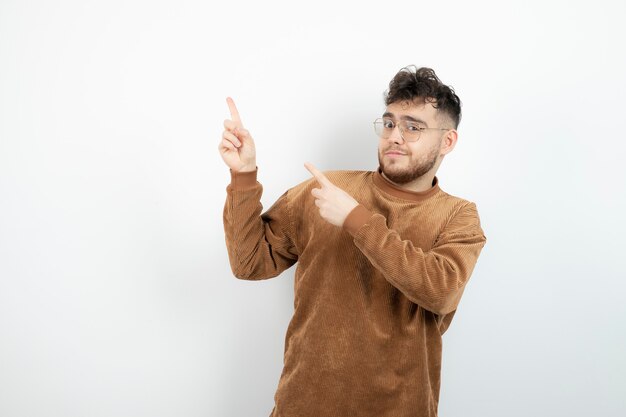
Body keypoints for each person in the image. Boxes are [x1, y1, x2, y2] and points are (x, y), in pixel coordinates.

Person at [219, 65, 487, 417]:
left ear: (447, 141)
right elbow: (249, 263)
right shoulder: (327, 190)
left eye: (413, 127)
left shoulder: (458, 216)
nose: (395, 136)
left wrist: (356, 220)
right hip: (302, 407)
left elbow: (440, 291)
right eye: (389, 123)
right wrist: (243, 174)